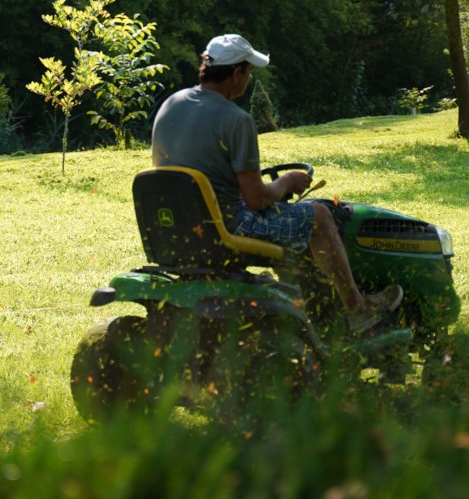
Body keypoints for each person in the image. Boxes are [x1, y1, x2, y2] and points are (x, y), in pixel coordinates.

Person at [150, 33, 402, 333]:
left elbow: (179, 175)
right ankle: (358, 309)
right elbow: (256, 199)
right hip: (228, 228)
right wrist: (286, 182)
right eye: (249, 71)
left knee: (293, 220)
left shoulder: (170, 105)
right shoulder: (236, 119)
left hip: (179, 228)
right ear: (235, 73)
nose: (250, 78)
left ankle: (308, 309)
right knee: (319, 216)